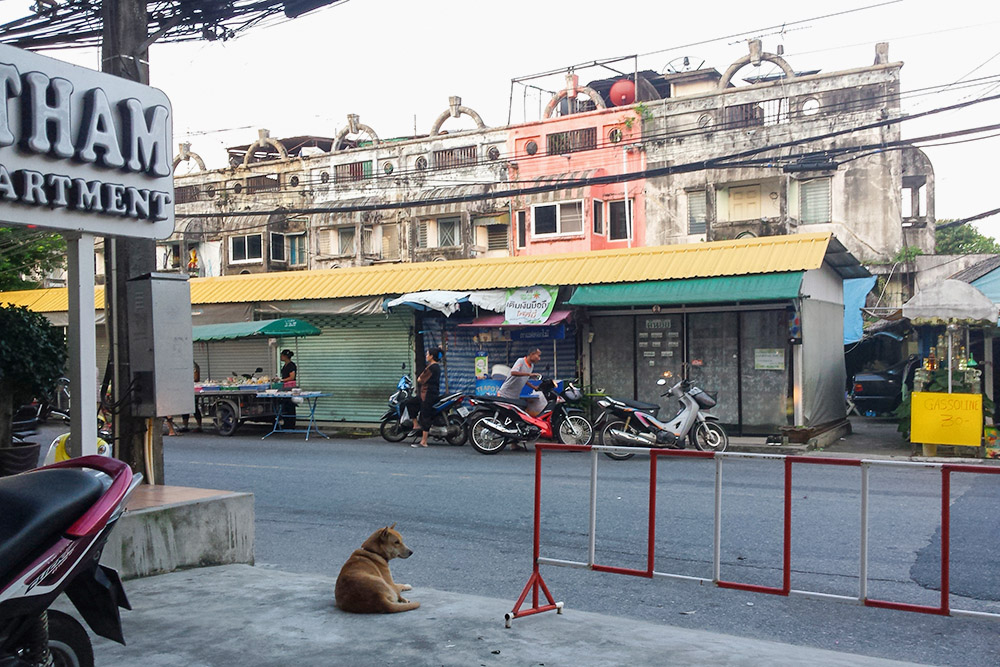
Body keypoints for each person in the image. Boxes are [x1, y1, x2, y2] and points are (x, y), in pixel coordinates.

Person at [411, 347, 443, 449]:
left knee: (426, 415)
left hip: (428, 394)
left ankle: (424, 441)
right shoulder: (435, 367)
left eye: (428, 354)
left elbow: (420, 379)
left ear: (432, 356)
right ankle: (415, 425)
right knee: (411, 403)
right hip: (430, 393)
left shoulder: (432, 368)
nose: (426, 355)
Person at [498, 348, 545, 416]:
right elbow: (513, 372)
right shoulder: (521, 361)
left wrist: (533, 387)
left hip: (515, 397)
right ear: (532, 354)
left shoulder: (531, 366)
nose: (539, 358)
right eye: (538, 355)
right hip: (504, 394)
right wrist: (529, 374)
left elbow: (523, 379)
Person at [181, 362, 203, 433]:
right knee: (184, 408)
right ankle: (185, 426)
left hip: (193, 389)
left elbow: (196, 378)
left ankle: (199, 426)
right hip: (186, 389)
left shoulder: (193, 366)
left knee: (194, 407)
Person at [280, 349, 297, 429]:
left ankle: (291, 424)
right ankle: (286, 423)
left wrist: (282, 380)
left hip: (290, 387)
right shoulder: (285, 366)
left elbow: (292, 377)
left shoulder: (291, 365)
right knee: (285, 405)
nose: (281, 357)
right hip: (285, 387)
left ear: (285, 356)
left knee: (290, 405)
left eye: (282, 355)